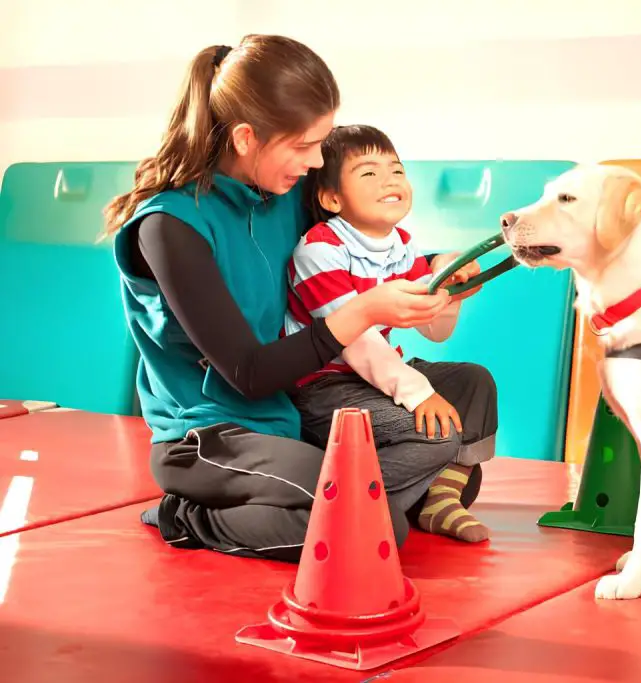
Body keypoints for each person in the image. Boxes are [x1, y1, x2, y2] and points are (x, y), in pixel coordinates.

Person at [101, 35, 484, 561]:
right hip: (211, 437)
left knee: (462, 412)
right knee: (373, 529)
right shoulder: (170, 226)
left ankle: (377, 498)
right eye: (305, 145)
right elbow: (249, 374)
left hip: (294, 419)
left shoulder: (282, 192)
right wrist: (364, 312)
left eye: (322, 143)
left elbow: (363, 239)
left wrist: (443, 267)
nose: (317, 161)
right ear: (244, 137)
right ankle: (187, 516)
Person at [285, 124, 498, 543]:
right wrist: (419, 394)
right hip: (325, 386)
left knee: (474, 382)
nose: (389, 180)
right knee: (435, 433)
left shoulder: (400, 245)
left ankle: (440, 499)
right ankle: (346, 508)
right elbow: (355, 343)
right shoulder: (319, 250)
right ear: (332, 198)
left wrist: (450, 287)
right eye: (368, 173)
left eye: (396, 170)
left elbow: (434, 330)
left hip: (376, 375)